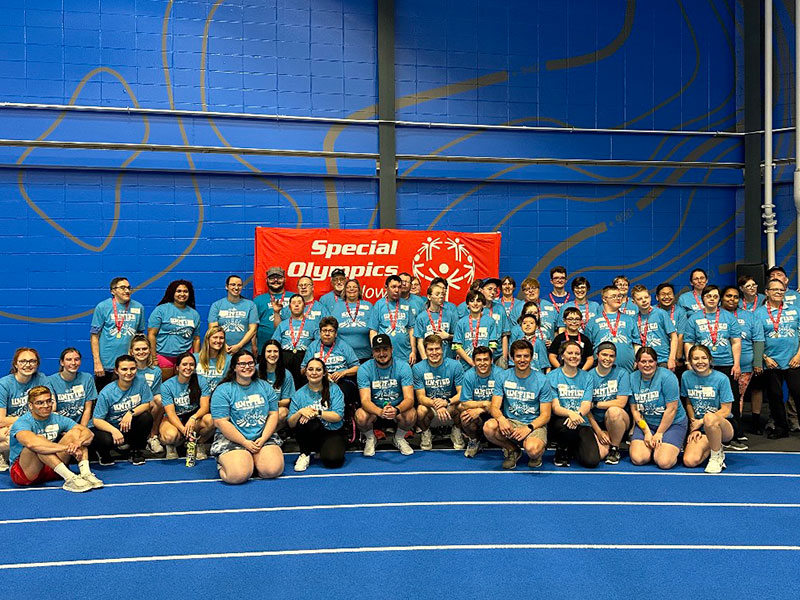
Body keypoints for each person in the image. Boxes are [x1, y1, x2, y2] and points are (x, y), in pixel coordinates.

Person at [682, 285, 744, 449]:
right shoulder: (694, 318)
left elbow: (736, 341)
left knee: (731, 400)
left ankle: (732, 436)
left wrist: (736, 363)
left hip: (725, 364)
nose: (712, 299)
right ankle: (696, 430)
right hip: (701, 365)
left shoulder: (729, 317)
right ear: (703, 298)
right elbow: (688, 342)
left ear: (719, 299)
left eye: (715, 296)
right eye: (708, 296)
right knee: (698, 397)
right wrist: (689, 363)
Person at [210, 350, 284, 483]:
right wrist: (244, 443)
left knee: (272, 470)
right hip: (233, 439)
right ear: (234, 367)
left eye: (250, 363)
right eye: (242, 364)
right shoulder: (223, 390)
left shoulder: (265, 386)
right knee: (237, 476)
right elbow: (220, 422)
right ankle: (234, 462)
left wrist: (263, 438)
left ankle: (253, 461)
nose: (247, 367)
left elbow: (273, 414)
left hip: (262, 437)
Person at [9, 386, 101, 492]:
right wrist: (67, 448)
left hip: (52, 465)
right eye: (40, 403)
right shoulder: (22, 422)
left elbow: (88, 433)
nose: (46, 406)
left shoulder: (57, 418)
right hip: (26, 472)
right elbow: (32, 444)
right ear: (30, 405)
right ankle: (70, 478)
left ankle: (86, 474)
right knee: (40, 442)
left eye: (49, 401)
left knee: (77, 434)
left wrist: (77, 443)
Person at [483, 340, 553, 470]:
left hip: (534, 424)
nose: (522, 360)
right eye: (518, 356)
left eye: (526, 356)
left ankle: (537, 453)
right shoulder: (502, 376)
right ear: (512, 358)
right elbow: (494, 407)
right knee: (489, 427)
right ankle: (513, 450)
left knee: (532, 450)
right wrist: (501, 419)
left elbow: (546, 415)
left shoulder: (542, 380)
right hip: (511, 422)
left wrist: (529, 428)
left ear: (531, 358)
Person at [753, 279, 800, 439]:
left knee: (798, 394)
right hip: (771, 362)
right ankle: (781, 428)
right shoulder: (758, 314)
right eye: (775, 290)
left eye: (782, 290)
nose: (779, 293)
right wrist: (764, 358)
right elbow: (756, 339)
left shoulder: (794, 310)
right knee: (775, 396)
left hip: (794, 360)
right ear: (767, 292)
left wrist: (799, 355)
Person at [355, 334, 416, 456]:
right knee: (360, 416)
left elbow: (409, 399)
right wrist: (379, 412)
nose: (381, 354)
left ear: (391, 349)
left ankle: (398, 438)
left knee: (411, 414)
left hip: (397, 410)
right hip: (375, 411)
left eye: (385, 349)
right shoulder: (364, 369)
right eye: (377, 350)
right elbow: (365, 400)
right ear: (372, 352)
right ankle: (371, 438)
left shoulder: (403, 366)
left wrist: (397, 410)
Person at [628, 347, 687, 469]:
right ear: (637, 363)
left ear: (656, 362)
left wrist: (659, 433)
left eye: (651, 361)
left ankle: (671, 445)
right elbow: (635, 410)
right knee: (638, 459)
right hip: (647, 423)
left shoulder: (668, 377)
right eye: (643, 362)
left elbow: (672, 409)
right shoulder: (632, 378)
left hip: (672, 424)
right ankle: (656, 448)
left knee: (663, 462)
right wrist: (647, 432)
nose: (647, 365)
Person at [90, 354, 154, 466]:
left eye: (132, 369)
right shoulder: (107, 392)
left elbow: (147, 404)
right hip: (109, 429)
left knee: (146, 417)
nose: (129, 373)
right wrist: (114, 431)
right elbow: (97, 420)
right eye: (124, 369)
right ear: (116, 371)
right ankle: (104, 454)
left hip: (127, 426)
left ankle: (135, 451)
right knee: (104, 440)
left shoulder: (141, 381)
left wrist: (130, 413)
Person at [681, 345, 734, 473]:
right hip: (701, 428)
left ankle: (717, 457)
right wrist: (695, 426)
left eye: (704, 358)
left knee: (710, 417)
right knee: (690, 461)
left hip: (722, 427)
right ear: (690, 361)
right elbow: (688, 402)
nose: (700, 362)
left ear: (710, 360)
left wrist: (702, 421)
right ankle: (714, 446)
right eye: (696, 358)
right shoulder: (686, 376)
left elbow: (726, 410)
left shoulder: (722, 379)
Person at [287, 358, 346, 472]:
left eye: (318, 370)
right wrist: (301, 412)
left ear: (324, 373)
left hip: (332, 431)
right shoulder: (299, 394)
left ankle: (322, 450)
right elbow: (291, 423)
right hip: (311, 432)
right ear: (306, 372)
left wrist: (317, 413)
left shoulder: (334, 389)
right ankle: (304, 454)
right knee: (303, 420)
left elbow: (338, 416)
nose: (314, 373)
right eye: (310, 369)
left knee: (333, 461)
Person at [722, 286, 765, 436]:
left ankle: (734, 431)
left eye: (735, 297)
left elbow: (758, 339)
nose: (731, 299)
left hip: (744, 366)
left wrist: (758, 363)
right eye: (728, 296)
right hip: (718, 365)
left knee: (736, 398)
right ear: (722, 297)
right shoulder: (714, 314)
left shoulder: (750, 316)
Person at [90, 276, 146, 391]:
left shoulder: (138, 307)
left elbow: (139, 336)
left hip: (129, 365)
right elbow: (94, 336)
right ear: (113, 291)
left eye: (128, 288)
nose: (127, 291)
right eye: (122, 288)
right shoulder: (102, 307)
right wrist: (97, 362)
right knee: (103, 398)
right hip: (106, 364)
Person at [0, 348, 52, 472]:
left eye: (32, 361)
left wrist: (21, 423)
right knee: (7, 437)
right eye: (23, 361)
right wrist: (19, 423)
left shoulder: (41, 379)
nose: (27, 365)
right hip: (7, 428)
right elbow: (1, 420)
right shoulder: (4, 384)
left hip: (31, 424)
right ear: (15, 364)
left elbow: (51, 406)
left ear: (37, 364)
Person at [547, 340, 597, 468]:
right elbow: (555, 407)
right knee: (566, 427)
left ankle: (573, 448)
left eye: (577, 353)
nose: (574, 356)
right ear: (562, 356)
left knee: (591, 461)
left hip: (581, 420)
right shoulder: (552, 377)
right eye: (570, 353)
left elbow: (586, 404)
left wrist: (578, 415)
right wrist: (570, 414)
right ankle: (562, 450)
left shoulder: (587, 377)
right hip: (562, 421)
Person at [158, 352, 214, 460]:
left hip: (194, 419)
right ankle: (173, 445)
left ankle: (199, 443)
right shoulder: (167, 386)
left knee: (211, 420)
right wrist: (184, 430)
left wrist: (193, 418)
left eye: (191, 364)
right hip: (175, 418)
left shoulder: (201, 381)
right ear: (177, 367)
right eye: (184, 364)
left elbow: (205, 407)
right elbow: (170, 413)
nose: (188, 368)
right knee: (169, 437)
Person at [413, 334, 465, 450]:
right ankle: (426, 432)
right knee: (420, 410)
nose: (434, 352)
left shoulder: (455, 365)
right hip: (431, 408)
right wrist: (437, 405)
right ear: (425, 351)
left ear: (442, 349)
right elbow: (421, 398)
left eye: (437, 349)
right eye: (430, 349)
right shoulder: (418, 368)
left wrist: (446, 402)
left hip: (450, 407)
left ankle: (456, 430)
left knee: (462, 405)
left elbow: (461, 393)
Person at [301, 317, 360, 410]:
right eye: (324, 330)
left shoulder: (343, 346)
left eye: (331, 331)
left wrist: (343, 373)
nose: (327, 334)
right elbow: (303, 370)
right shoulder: (313, 346)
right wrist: (321, 375)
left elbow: (357, 367)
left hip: (341, 381)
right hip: (318, 381)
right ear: (320, 333)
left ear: (336, 333)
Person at [147, 279, 201, 380]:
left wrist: (195, 359)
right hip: (163, 356)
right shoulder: (161, 310)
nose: (182, 294)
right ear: (173, 293)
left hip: (184, 358)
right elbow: (151, 334)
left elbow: (196, 339)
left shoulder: (194, 314)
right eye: (178, 291)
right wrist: (153, 357)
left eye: (185, 291)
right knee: (162, 389)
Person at [588, 341, 631, 465]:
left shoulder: (622, 373)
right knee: (600, 455)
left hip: (619, 419)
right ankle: (607, 438)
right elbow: (587, 409)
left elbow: (621, 403)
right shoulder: (589, 376)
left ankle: (614, 448)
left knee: (613, 411)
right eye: (604, 355)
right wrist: (599, 432)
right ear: (597, 355)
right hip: (596, 421)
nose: (607, 359)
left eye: (611, 356)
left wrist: (596, 404)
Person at [584, 286, 640, 372]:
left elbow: (636, 344)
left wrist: (637, 360)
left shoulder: (629, 319)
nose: (618, 298)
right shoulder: (593, 322)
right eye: (614, 296)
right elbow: (587, 348)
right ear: (604, 299)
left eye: (619, 296)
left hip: (627, 370)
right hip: (601, 372)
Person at [458, 346, 500, 457]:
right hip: (478, 414)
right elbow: (465, 402)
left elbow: (504, 402)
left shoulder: (500, 374)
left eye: (485, 359)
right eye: (479, 360)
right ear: (474, 361)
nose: (482, 363)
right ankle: (474, 440)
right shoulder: (468, 375)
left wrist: (481, 409)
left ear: (491, 360)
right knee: (465, 416)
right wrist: (484, 404)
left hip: (497, 412)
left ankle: (505, 444)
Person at [129, 334, 165, 455]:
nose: (141, 352)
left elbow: (155, 395)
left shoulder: (156, 371)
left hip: (147, 405)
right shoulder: (127, 369)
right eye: (137, 349)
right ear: (131, 352)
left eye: (144, 349)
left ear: (150, 350)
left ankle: (152, 437)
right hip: (129, 406)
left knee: (160, 400)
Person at [272, 294, 319, 386]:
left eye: (299, 302)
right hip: (285, 357)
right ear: (289, 307)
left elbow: (319, 343)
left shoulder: (313, 324)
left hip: (304, 358)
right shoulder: (283, 324)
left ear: (304, 306)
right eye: (293, 303)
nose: (296, 305)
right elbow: (274, 343)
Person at [369, 275, 417, 365]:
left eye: (399, 287)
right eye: (393, 287)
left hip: (405, 354)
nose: (396, 290)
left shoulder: (406, 304)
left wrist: (413, 351)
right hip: (384, 355)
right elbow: (373, 331)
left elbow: (411, 329)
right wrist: (375, 351)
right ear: (386, 287)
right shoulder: (379, 305)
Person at [208, 275, 259, 354]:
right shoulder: (216, 305)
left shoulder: (251, 305)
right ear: (226, 287)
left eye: (239, 285)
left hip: (244, 350)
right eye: (233, 284)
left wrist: (239, 346)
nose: (236, 287)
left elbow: (253, 329)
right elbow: (213, 329)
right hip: (221, 350)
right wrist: (224, 346)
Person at [630, 284, 678, 370]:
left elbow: (674, 336)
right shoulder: (633, 319)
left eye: (646, 297)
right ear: (634, 302)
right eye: (640, 299)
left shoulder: (661, 313)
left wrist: (672, 358)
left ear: (650, 297)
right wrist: (637, 361)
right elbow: (636, 343)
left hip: (662, 360)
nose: (644, 301)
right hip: (644, 361)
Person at [48, 347, 96, 426]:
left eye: (77, 359)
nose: (73, 363)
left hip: (83, 425)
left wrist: (82, 429)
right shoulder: (50, 381)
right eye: (69, 359)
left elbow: (87, 409)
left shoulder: (87, 378)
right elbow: (52, 411)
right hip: (60, 426)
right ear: (62, 362)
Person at [453, 290, 500, 369]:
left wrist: (483, 360)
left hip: (485, 365)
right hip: (466, 366)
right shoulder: (461, 323)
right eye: (472, 301)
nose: (475, 303)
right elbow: (456, 346)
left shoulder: (490, 321)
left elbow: (493, 344)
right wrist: (470, 361)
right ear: (467, 305)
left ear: (483, 305)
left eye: (478, 301)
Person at [330, 278, 374, 362]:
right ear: (345, 290)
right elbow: (332, 329)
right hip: (342, 355)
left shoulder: (369, 306)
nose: (351, 289)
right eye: (348, 287)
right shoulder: (337, 307)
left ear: (359, 290)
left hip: (365, 355)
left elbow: (374, 329)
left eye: (354, 287)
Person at [414, 280, 458, 361]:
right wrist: (425, 360)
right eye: (437, 294)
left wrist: (448, 336)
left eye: (442, 294)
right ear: (429, 297)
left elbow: (458, 337)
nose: (441, 296)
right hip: (429, 358)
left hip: (447, 358)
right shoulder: (421, 317)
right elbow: (420, 342)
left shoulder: (450, 314)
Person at [253, 266, 293, 354]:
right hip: (264, 348)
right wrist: (253, 345)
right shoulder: (258, 300)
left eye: (279, 277)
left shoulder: (294, 298)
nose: (275, 280)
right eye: (271, 278)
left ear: (284, 279)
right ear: (266, 280)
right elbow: (253, 327)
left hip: (289, 347)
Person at [259, 339, 297, 426]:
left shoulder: (286, 374)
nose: (272, 354)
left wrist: (271, 404)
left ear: (280, 354)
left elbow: (287, 400)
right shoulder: (255, 371)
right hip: (257, 407)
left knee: (284, 412)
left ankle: (268, 435)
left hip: (276, 408)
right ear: (264, 353)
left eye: (275, 351)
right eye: (269, 351)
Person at [196, 326, 228, 396]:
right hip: (198, 398)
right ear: (208, 339)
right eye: (215, 337)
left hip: (219, 397)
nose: (219, 341)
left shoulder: (229, 360)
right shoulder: (195, 358)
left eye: (221, 338)